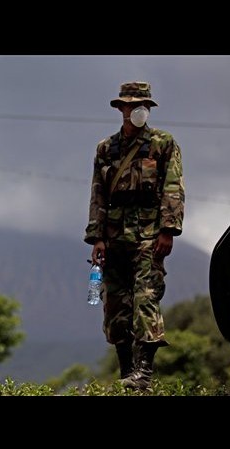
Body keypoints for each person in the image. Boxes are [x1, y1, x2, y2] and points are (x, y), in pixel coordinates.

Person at [84, 81, 185, 389]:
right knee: (114, 305)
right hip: (113, 238)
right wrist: (97, 237)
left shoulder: (163, 144)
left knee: (146, 299)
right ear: (121, 109)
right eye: (131, 104)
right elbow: (97, 194)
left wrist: (168, 230)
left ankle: (144, 373)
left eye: (142, 105)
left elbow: (173, 187)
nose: (137, 109)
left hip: (149, 236)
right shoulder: (106, 148)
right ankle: (127, 370)